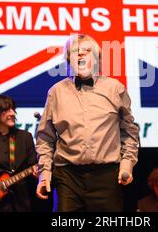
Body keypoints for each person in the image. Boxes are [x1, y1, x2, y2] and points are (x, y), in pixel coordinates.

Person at [36, 34, 140, 212]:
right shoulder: (56, 92)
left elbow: (130, 132)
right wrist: (44, 174)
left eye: (87, 51)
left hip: (107, 176)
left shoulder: (115, 89)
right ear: (69, 59)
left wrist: (127, 164)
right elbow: (45, 138)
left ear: (97, 58)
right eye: (76, 51)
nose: (81, 55)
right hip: (67, 176)